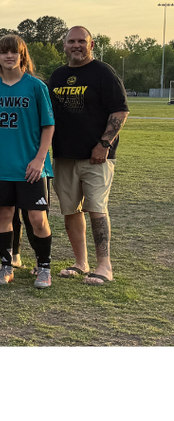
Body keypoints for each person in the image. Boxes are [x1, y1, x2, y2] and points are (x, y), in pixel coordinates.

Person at [48, 25, 129, 285]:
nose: (76, 45)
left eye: (82, 41)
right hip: (64, 155)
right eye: (71, 41)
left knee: (96, 208)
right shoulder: (58, 76)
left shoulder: (103, 73)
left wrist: (104, 144)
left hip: (96, 156)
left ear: (91, 45)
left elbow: (120, 111)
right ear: (64, 46)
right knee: (71, 210)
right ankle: (80, 263)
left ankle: (104, 266)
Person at [0, 34, 55, 288]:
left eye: (14, 52)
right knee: (4, 215)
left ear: (22, 56)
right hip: (1, 165)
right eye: (4, 52)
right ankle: (5, 265)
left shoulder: (36, 87)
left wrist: (39, 159)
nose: (9, 56)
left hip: (31, 166)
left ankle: (44, 267)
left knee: (37, 218)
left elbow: (48, 125)